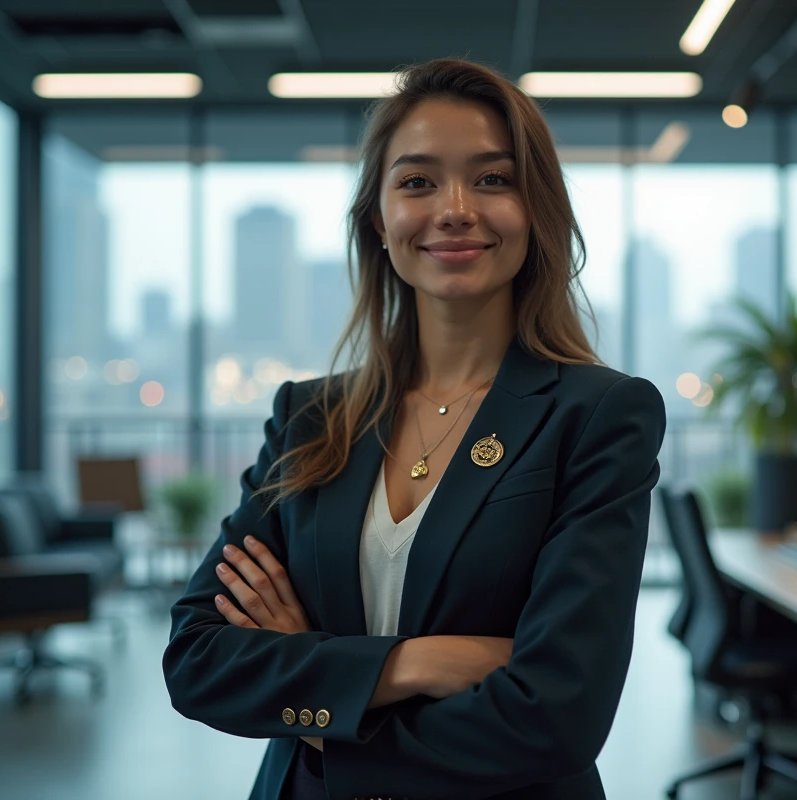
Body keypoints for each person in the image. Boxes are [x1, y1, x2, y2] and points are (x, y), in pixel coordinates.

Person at [162, 57, 666, 800]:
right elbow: (199, 660)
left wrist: (321, 697)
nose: (455, 207)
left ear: (536, 210)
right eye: (418, 181)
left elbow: (558, 714)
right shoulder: (311, 417)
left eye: (492, 179)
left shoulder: (596, 416)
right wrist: (414, 664)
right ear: (379, 219)